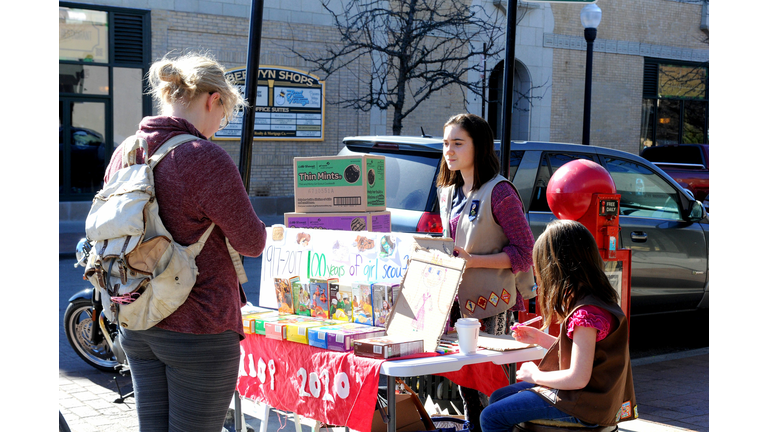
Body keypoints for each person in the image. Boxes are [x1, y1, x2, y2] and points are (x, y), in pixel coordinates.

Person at [103, 52, 268, 432]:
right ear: (214, 100)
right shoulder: (203, 156)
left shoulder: (126, 151)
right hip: (199, 329)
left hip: (138, 320)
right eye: (223, 115)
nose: (218, 127)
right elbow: (252, 243)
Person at [480, 220, 637, 431]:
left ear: (556, 268)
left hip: (585, 405)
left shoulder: (585, 313)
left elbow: (578, 378)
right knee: (500, 397)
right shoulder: (599, 301)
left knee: (491, 416)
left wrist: (535, 375)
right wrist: (539, 338)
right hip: (597, 399)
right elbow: (587, 352)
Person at [436, 113, 536, 431]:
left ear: (478, 147)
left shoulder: (500, 192)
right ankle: (473, 426)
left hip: (494, 302)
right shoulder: (448, 191)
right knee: (466, 378)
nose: (449, 151)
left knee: (491, 382)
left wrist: (472, 260)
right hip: (455, 300)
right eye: (445, 143)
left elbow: (525, 253)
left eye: (457, 143)